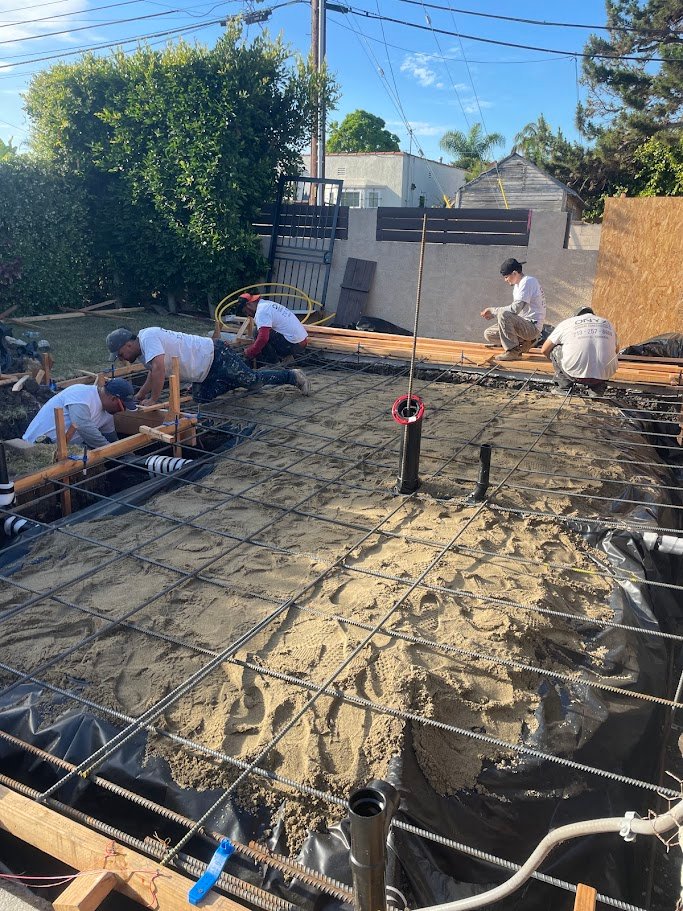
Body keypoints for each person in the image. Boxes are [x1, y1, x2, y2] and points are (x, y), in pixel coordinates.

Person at [105, 326, 310, 405]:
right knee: (200, 397)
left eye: (121, 353)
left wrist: (154, 399)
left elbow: (159, 369)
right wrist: (141, 396)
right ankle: (232, 379)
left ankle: (292, 376)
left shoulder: (147, 337)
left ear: (128, 344)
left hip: (215, 355)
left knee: (253, 381)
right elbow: (152, 373)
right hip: (203, 372)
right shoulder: (143, 352)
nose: (122, 358)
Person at [22, 378, 137, 448]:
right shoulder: (81, 394)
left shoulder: (107, 415)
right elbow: (83, 425)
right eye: (122, 407)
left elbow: (112, 439)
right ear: (113, 399)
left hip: (61, 450)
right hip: (34, 448)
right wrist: (111, 450)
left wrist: (124, 452)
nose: (122, 411)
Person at [541, 306, 618, 396]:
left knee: (555, 349)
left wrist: (558, 364)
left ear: (576, 316)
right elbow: (616, 350)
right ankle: (597, 390)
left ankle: (564, 388)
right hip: (604, 375)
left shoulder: (567, 323)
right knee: (603, 355)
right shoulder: (607, 323)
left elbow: (544, 349)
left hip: (575, 374)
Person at [481, 258, 546, 361]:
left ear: (515, 273)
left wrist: (493, 310)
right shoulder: (518, 286)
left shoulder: (528, 281)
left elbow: (515, 309)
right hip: (524, 325)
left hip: (532, 327)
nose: (505, 280)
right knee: (489, 334)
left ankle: (513, 351)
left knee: (503, 314)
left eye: (506, 277)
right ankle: (525, 342)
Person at [235, 293, 308, 364]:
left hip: (294, 344)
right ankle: (286, 357)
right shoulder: (266, 304)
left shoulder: (262, 312)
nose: (248, 315)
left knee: (258, 334)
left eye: (245, 311)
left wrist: (250, 352)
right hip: (299, 342)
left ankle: (274, 364)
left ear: (248, 305)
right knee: (260, 331)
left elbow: (263, 338)